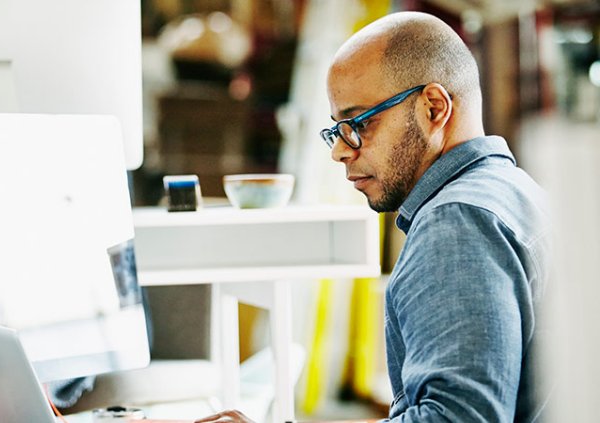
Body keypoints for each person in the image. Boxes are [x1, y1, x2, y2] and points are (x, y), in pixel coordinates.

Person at [196, 11, 550, 423]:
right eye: (337, 130)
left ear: (433, 108)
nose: (340, 151)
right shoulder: (516, 192)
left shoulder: (456, 223)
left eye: (359, 122)